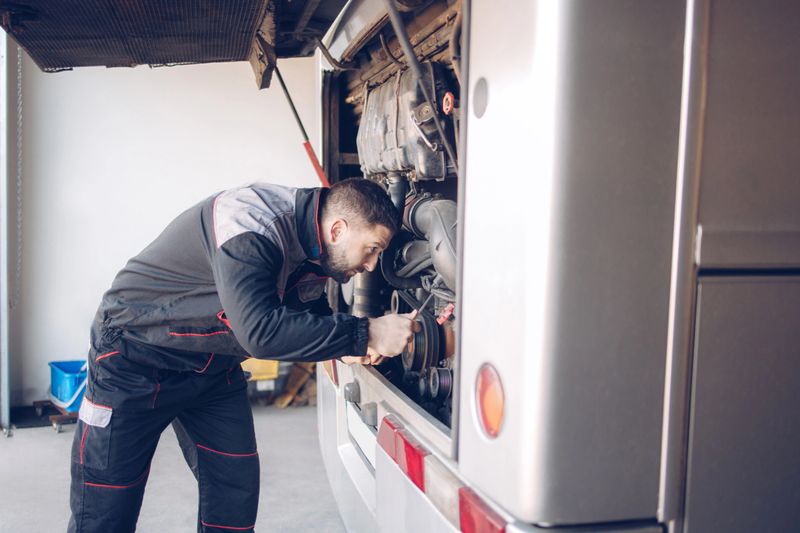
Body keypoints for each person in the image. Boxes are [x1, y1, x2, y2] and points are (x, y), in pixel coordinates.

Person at [68, 178, 418, 532]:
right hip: (133, 359)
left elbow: (306, 311)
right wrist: (366, 333)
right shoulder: (251, 224)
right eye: (372, 249)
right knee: (107, 506)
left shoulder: (318, 249)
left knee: (234, 492)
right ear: (338, 229)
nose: (372, 265)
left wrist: (349, 349)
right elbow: (260, 333)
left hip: (211, 366)